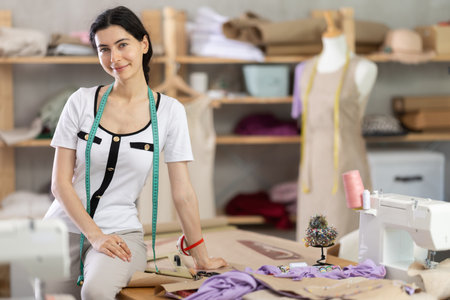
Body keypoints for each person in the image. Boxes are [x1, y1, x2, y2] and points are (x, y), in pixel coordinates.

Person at [44, 6, 227, 300]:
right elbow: (60, 183)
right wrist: (94, 234)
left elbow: (183, 193)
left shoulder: (169, 112)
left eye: (122, 45)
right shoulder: (80, 101)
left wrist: (201, 256)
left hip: (121, 233)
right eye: (104, 49)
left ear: (143, 44)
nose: (114, 58)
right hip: (61, 228)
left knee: (97, 292)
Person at [293, 14, 377, 243]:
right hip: (311, 168)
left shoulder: (363, 68)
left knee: (347, 238)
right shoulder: (305, 69)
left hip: (347, 165)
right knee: (312, 244)